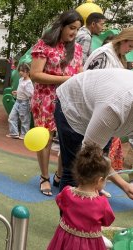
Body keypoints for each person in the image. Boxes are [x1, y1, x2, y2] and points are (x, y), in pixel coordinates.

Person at [54, 68, 133, 200]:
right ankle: (67, 219)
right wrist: (124, 185)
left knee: (95, 173)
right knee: (76, 170)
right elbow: (88, 156)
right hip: (75, 105)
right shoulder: (114, 108)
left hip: (101, 103)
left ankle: (87, 210)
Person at [30, 10, 84, 196]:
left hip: (68, 100)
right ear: (61, 25)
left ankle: (60, 176)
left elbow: (79, 72)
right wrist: (67, 79)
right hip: (45, 99)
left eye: (77, 29)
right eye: (71, 28)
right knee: (44, 139)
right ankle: (44, 177)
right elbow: (35, 75)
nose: (74, 33)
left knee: (66, 140)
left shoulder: (76, 49)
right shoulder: (44, 45)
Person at [84, 27, 133, 190]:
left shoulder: (119, 58)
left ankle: (95, 191)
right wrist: (125, 185)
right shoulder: (103, 54)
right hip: (93, 112)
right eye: (130, 46)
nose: (130, 50)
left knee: (97, 157)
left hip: (104, 114)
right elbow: (89, 82)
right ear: (124, 39)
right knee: (89, 158)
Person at [47, 143, 115, 250]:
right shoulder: (102, 203)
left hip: (64, 239)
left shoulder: (67, 192)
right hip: (89, 245)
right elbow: (108, 221)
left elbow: (60, 203)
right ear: (99, 180)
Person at [6, 63, 34, 140]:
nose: (21, 72)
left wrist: (24, 90)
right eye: (20, 71)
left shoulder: (29, 82)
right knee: (12, 117)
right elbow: (21, 90)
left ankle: (24, 134)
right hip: (17, 101)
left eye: (23, 71)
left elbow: (31, 94)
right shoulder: (21, 79)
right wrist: (17, 92)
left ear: (28, 72)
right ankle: (14, 133)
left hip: (24, 103)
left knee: (24, 119)